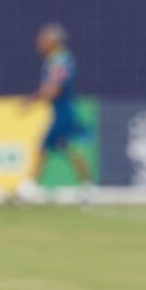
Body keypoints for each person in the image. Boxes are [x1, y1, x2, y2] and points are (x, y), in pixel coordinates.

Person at [16, 23, 92, 203]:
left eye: (44, 40)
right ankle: (87, 188)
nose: (40, 43)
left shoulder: (60, 61)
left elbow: (54, 89)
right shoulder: (56, 60)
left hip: (63, 113)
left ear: (54, 41)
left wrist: (32, 100)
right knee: (70, 149)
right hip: (62, 111)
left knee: (44, 147)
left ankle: (29, 187)